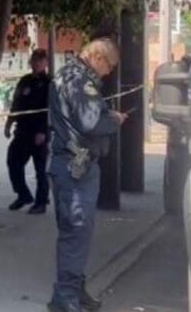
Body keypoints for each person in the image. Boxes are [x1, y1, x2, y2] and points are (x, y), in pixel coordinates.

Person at [47, 38, 127, 312]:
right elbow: (91, 122)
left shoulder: (69, 75)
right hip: (75, 167)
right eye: (110, 66)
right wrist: (114, 120)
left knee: (76, 232)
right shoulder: (81, 81)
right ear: (98, 58)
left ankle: (74, 289)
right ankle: (65, 297)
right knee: (76, 230)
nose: (108, 72)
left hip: (68, 164)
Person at [5, 49, 51, 214]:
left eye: (40, 60)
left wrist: (43, 132)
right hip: (23, 131)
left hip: (39, 133)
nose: (37, 63)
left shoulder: (50, 83)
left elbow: (51, 111)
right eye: (34, 60)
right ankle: (23, 195)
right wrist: (9, 123)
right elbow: (16, 103)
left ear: (45, 63)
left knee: (40, 170)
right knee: (13, 162)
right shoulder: (24, 81)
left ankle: (41, 202)